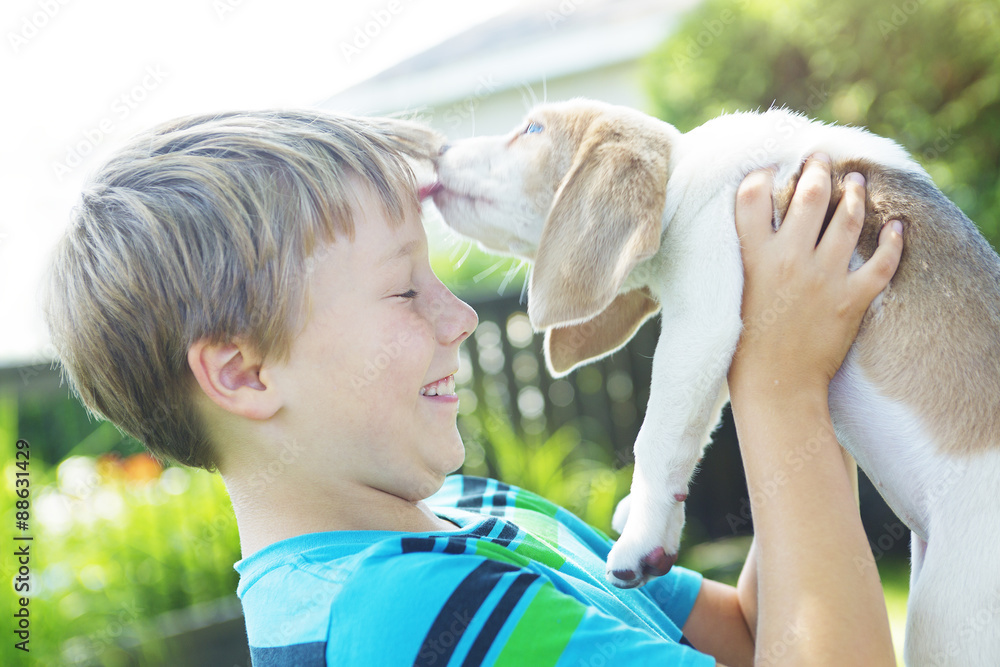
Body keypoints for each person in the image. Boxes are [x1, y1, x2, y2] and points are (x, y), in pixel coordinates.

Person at [45, 109, 903, 666]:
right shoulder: (401, 621)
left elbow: (755, 637)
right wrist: (781, 386)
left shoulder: (473, 511)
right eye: (404, 289)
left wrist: (769, 328)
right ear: (243, 372)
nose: (461, 318)